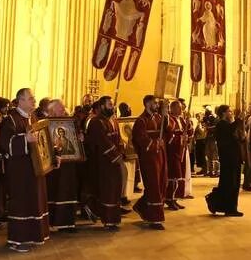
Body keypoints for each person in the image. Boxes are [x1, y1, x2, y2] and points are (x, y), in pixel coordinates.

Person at [0, 88, 49, 252]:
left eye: (34, 98)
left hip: (34, 169)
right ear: (20, 101)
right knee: (21, 203)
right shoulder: (10, 120)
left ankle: (32, 235)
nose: (34, 100)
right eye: (31, 98)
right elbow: (5, 143)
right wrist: (24, 140)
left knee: (34, 201)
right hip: (19, 171)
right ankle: (17, 240)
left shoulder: (33, 117)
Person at [83, 96, 125, 230]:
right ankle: (108, 221)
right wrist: (115, 155)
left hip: (114, 159)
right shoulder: (96, 122)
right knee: (108, 190)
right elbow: (102, 142)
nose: (112, 106)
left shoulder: (112, 121)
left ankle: (104, 214)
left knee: (115, 189)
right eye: (109, 104)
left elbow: (117, 139)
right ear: (101, 106)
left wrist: (121, 151)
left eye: (112, 104)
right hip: (103, 161)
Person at [43, 99, 79, 232]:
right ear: (52, 111)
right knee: (55, 193)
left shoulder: (69, 123)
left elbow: (72, 145)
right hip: (53, 167)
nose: (64, 111)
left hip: (69, 164)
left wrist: (79, 139)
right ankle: (53, 222)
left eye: (64, 108)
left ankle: (68, 223)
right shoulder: (45, 124)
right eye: (61, 109)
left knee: (68, 192)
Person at [131, 95, 167, 229]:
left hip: (160, 154)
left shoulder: (158, 118)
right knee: (153, 186)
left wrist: (165, 116)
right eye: (155, 103)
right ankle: (155, 219)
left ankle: (141, 207)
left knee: (161, 182)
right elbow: (140, 139)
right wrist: (154, 144)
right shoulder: (141, 120)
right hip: (149, 157)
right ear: (147, 104)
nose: (157, 105)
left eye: (158, 103)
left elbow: (165, 131)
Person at [205, 105, 244, 217]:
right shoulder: (221, 124)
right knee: (229, 183)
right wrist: (239, 120)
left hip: (234, 158)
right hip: (228, 159)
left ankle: (232, 207)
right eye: (229, 111)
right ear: (223, 113)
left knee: (235, 183)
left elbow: (236, 135)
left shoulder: (228, 124)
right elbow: (230, 132)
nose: (231, 113)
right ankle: (229, 208)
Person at [163, 100, 187, 210]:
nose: (181, 110)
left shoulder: (181, 119)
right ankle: (169, 198)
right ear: (172, 109)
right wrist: (179, 136)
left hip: (180, 150)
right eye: (178, 107)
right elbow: (169, 133)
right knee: (172, 176)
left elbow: (186, 131)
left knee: (178, 176)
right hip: (172, 151)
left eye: (181, 107)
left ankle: (174, 198)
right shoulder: (170, 119)